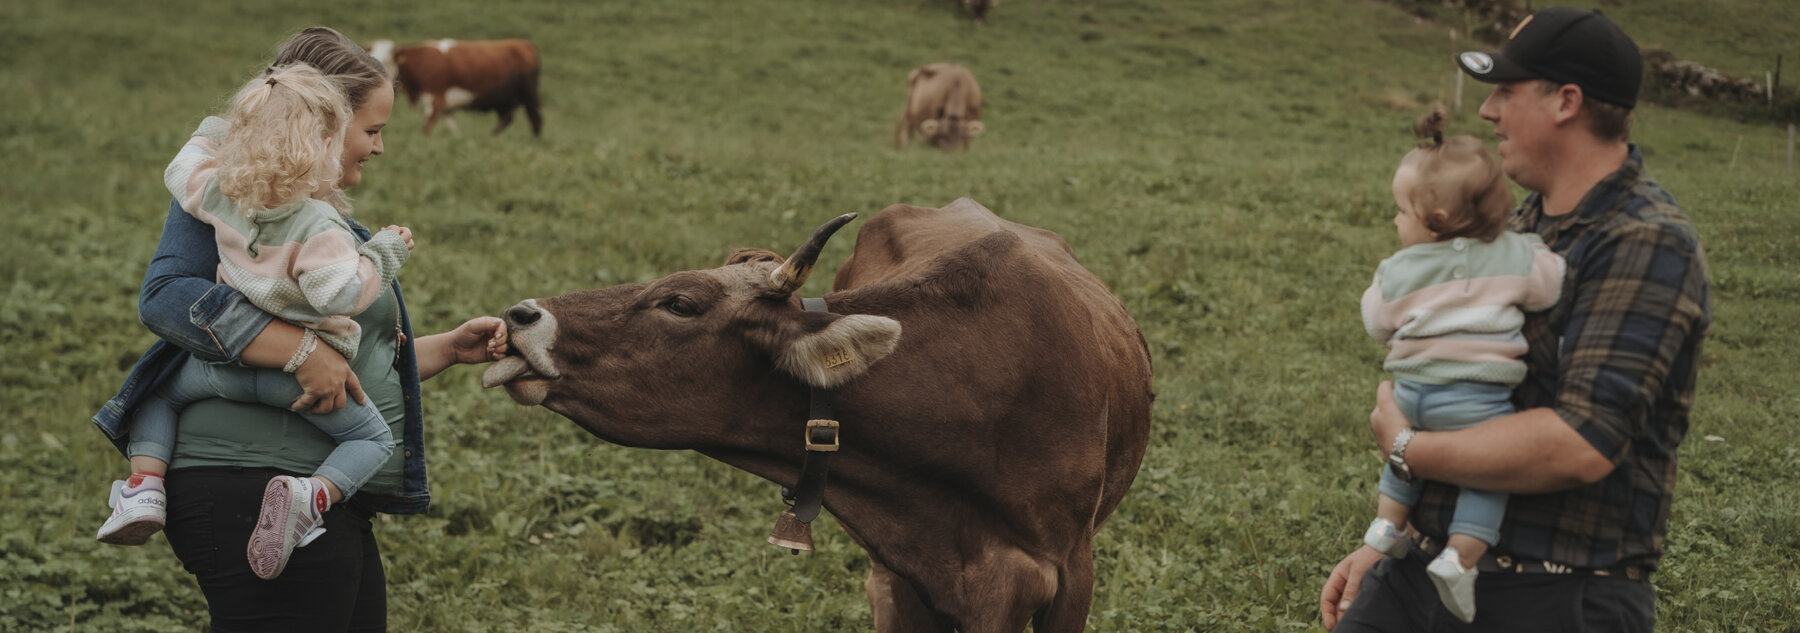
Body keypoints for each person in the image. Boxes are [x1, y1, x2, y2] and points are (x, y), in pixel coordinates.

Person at [91, 26, 508, 632]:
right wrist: (301, 351)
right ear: (320, 125)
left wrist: (447, 347)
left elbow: (345, 367)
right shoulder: (235, 197)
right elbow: (167, 298)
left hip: (309, 489)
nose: (380, 148)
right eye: (373, 129)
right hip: (247, 478)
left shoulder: (315, 217)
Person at [1322, 7, 1711, 632]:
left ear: (1567, 101)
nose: (1487, 110)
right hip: (1422, 570)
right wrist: (1383, 545)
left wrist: (1407, 448)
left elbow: (1579, 445)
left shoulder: (1646, 241)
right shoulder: (1517, 232)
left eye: (1506, 90)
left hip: (1552, 594)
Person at [96, 62, 415, 583]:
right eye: (371, 131)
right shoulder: (319, 223)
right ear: (326, 142)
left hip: (224, 366)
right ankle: (310, 496)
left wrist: (230, 127)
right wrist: (380, 255)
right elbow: (338, 291)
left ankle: (143, 488)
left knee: (157, 396)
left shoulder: (227, 197)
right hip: (302, 377)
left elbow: (180, 171)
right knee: (371, 442)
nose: (377, 146)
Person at [1357, 109, 1563, 623]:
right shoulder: (1515, 254)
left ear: (1438, 222)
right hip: (1476, 398)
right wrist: (1531, 252)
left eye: (1401, 211)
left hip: (1411, 393)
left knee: (1402, 457)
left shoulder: (1397, 269)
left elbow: (1376, 321)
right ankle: (1461, 556)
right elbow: (1551, 285)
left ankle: (1387, 524)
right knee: (1487, 476)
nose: (1395, 220)